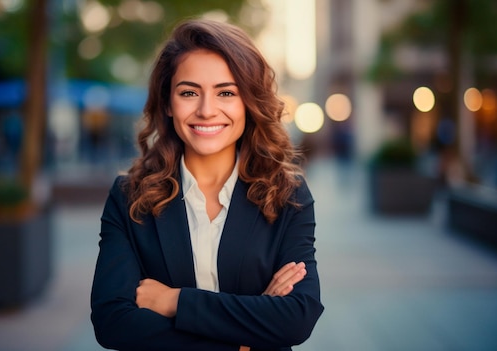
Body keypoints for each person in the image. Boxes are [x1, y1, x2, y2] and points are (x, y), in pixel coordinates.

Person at [91, 18, 323, 351]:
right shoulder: (129, 197)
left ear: (248, 103)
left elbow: (297, 317)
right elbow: (113, 322)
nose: (206, 110)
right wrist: (245, 340)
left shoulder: (288, 195)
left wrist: (175, 301)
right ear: (168, 103)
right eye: (189, 92)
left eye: (226, 92)